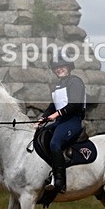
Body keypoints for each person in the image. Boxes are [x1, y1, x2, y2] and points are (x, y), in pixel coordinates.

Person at [37, 50, 86, 194]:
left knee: (55, 143)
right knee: (40, 135)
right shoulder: (57, 86)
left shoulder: (75, 82)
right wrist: (43, 118)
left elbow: (74, 105)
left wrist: (56, 114)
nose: (59, 69)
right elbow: (52, 106)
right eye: (56, 67)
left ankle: (60, 182)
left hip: (72, 121)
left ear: (69, 67)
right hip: (60, 121)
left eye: (62, 66)